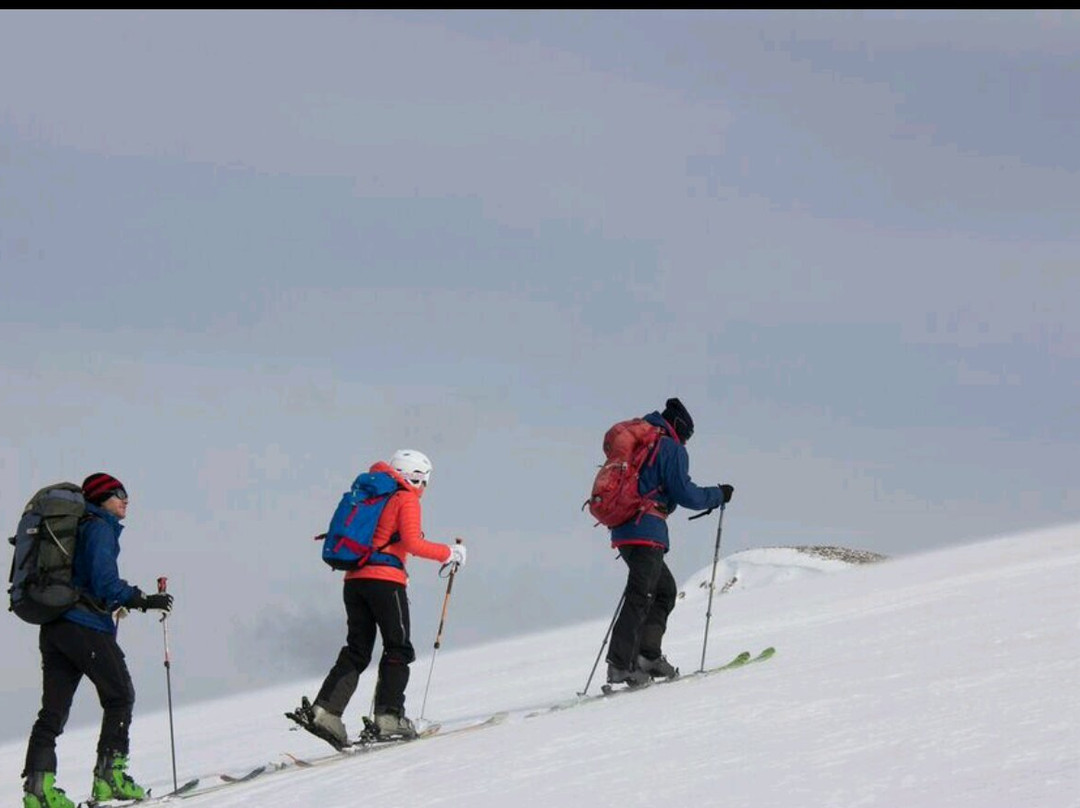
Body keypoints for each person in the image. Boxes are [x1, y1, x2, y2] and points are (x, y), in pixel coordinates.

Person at [21, 473, 175, 808]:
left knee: (52, 712)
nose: (125, 500)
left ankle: (38, 791)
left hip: (55, 627)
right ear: (103, 497)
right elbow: (104, 581)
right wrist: (141, 599)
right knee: (120, 695)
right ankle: (110, 778)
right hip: (84, 625)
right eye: (119, 494)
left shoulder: (76, 529)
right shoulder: (100, 527)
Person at [303, 449, 467, 747]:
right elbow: (412, 543)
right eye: (425, 482)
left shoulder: (372, 494)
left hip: (354, 580)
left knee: (357, 649)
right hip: (385, 582)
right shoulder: (405, 498)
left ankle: (325, 711)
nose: (425, 489)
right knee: (398, 647)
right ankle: (389, 717)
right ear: (415, 478)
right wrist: (450, 552)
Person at [605, 398, 734, 688]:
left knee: (663, 590)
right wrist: (718, 494)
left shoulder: (644, 442)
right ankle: (620, 665)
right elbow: (685, 493)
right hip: (645, 530)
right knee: (642, 594)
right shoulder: (669, 447)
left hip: (625, 529)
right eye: (687, 435)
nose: (687, 442)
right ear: (679, 428)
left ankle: (647, 656)